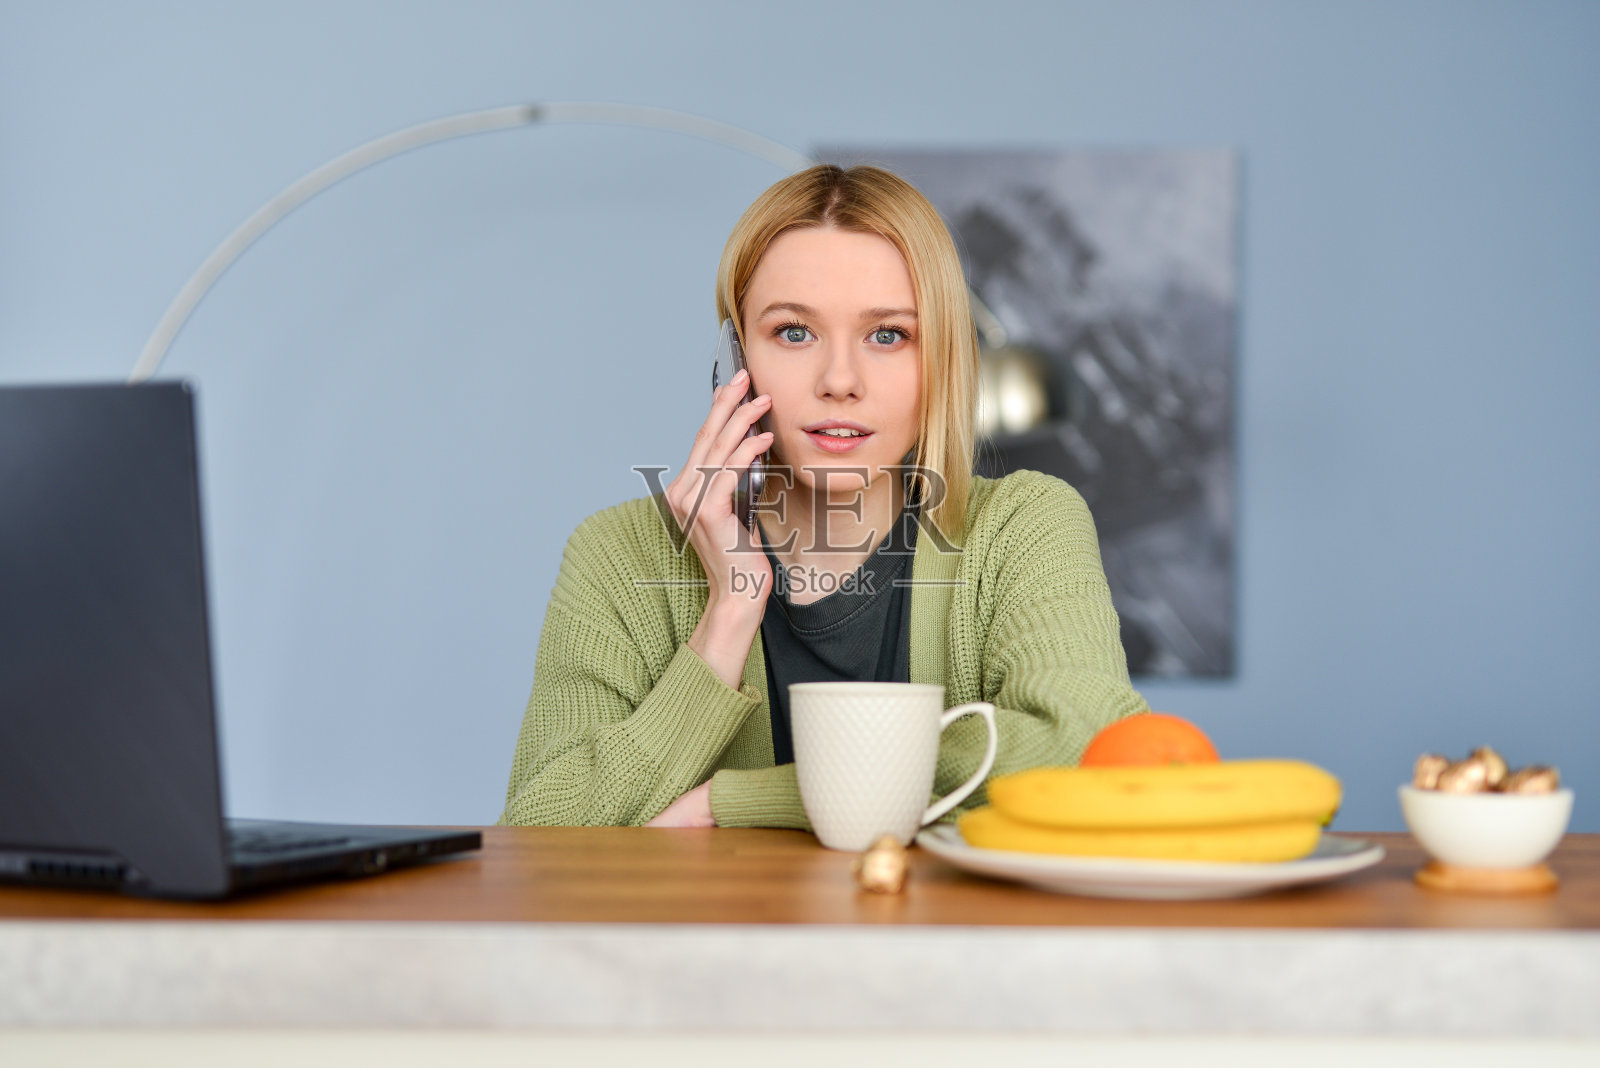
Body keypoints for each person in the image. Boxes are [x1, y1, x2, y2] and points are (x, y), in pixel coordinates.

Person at [498, 164, 1147, 830]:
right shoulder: (618, 552)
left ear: (940, 361)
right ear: (734, 358)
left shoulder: (1023, 526)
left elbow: (1081, 755)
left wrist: (738, 803)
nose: (840, 380)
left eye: (888, 335)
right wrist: (727, 618)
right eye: (795, 332)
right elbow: (541, 834)